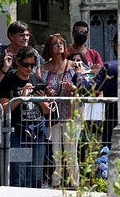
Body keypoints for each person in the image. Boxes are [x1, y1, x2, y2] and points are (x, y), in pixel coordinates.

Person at [0, 46, 50, 188]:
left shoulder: (37, 80)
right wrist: (21, 97)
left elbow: (46, 111)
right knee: (18, 176)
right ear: (18, 63)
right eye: (26, 64)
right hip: (19, 134)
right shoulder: (9, 81)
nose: (29, 68)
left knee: (36, 176)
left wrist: (42, 101)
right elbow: (3, 108)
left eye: (32, 65)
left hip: (37, 133)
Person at [40, 34, 80, 188]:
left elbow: (88, 86)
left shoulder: (75, 65)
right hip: (53, 116)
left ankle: (74, 185)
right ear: (49, 48)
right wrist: (46, 94)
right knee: (55, 153)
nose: (59, 46)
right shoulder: (42, 69)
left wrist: (74, 88)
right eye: (55, 44)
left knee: (72, 154)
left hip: (72, 115)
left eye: (61, 43)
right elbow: (38, 91)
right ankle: (56, 185)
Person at [78, 32, 118, 148]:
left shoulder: (111, 67)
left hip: (113, 121)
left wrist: (79, 75)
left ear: (115, 45)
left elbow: (89, 89)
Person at [0, 21, 43, 90]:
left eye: (27, 35)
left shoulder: (34, 53)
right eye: (22, 35)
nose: (26, 38)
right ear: (11, 36)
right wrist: (4, 69)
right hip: (4, 97)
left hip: (28, 98)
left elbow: (38, 79)